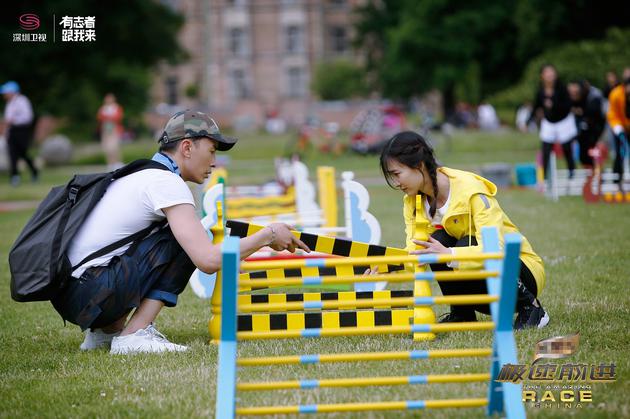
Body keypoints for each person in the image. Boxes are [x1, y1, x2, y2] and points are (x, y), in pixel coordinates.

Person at [51, 110, 310, 354]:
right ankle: (134, 334)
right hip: (92, 292)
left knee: (186, 235)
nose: (214, 162)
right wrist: (270, 234)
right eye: (211, 151)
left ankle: (104, 333)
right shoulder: (166, 183)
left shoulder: (139, 174)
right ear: (187, 147)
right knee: (184, 241)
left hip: (72, 296)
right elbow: (207, 259)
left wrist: (232, 253)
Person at [378, 131, 549, 330]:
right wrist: (385, 267)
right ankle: (462, 314)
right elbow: (415, 252)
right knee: (435, 242)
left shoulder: (470, 189)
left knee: (459, 243)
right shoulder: (413, 201)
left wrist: (450, 253)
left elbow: (497, 248)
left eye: (397, 174)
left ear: (419, 165)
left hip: (522, 274)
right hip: (484, 290)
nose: (396, 183)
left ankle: (532, 308)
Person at [530, 64, 576, 180]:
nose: (550, 75)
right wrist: (527, 121)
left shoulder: (561, 88)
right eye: (547, 73)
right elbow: (536, 106)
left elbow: (568, 105)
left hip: (564, 121)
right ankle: (545, 178)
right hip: (549, 122)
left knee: (566, 148)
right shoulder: (540, 90)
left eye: (551, 72)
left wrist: (553, 105)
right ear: (542, 76)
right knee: (546, 149)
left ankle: (572, 172)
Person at [1, 81, 38, 186]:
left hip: (21, 130)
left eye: (6, 92)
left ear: (12, 92)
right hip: (12, 131)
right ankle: (14, 177)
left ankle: (34, 171)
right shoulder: (9, 104)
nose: (4, 95)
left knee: (22, 152)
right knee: (12, 153)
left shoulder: (22, 101)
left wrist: (14, 120)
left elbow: (28, 117)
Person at [568, 80, 606, 167]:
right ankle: (590, 170)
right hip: (586, 129)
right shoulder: (581, 96)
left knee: (594, 150)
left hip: (597, 128)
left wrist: (581, 112)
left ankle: (596, 170)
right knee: (584, 152)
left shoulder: (595, 95)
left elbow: (593, 113)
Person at [606, 77, 630, 189]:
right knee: (621, 152)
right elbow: (612, 114)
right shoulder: (615, 94)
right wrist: (618, 128)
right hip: (618, 125)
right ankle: (617, 180)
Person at [97, 93, 124, 170]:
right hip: (106, 129)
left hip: (114, 129)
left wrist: (110, 118)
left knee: (115, 146)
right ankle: (110, 163)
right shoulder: (103, 108)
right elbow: (100, 117)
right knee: (107, 147)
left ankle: (117, 162)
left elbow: (119, 117)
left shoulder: (116, 107)